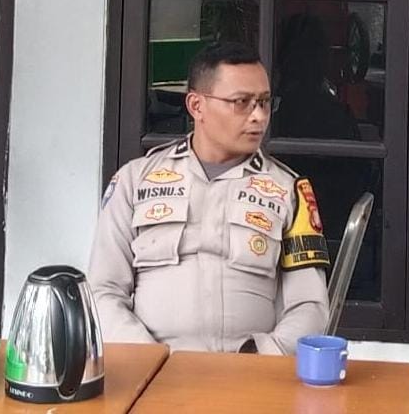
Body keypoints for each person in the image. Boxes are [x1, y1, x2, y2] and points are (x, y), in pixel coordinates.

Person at [88, 42, 330, 355]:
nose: (259, 116)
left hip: (249, 373)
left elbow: (310, 306)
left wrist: (264, 356)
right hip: (152, 370)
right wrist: (149, 358)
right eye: (241, 102)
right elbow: (103, 290)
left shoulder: (288, 191)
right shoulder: (135, 180)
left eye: (264, 102)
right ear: (196, 106)